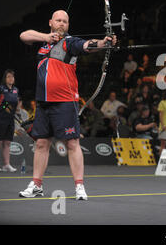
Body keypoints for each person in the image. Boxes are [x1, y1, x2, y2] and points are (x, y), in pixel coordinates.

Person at [18, 10, 117, 200]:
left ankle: (79, 187)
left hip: (65, 101)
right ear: (51, 22)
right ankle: (36, 185)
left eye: (65, 21)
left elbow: (87, 45)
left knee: (72, 143)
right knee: (41, 143)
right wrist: (46, 37)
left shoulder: (70, 42)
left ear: (68, 25)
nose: (62, 23)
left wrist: (104, 43)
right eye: (58, 20)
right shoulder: (43, 42)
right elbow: (23, 35)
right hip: (43, 101)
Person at [0, 69, 19, 173]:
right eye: (9, 77)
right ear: (5, 79)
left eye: (12, 77)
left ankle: (6, 165)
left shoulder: (15, 90)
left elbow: (16, 104)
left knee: (8, 142)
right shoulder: (0, 89)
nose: (11, 78)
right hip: (0, 119)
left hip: (10, 119)